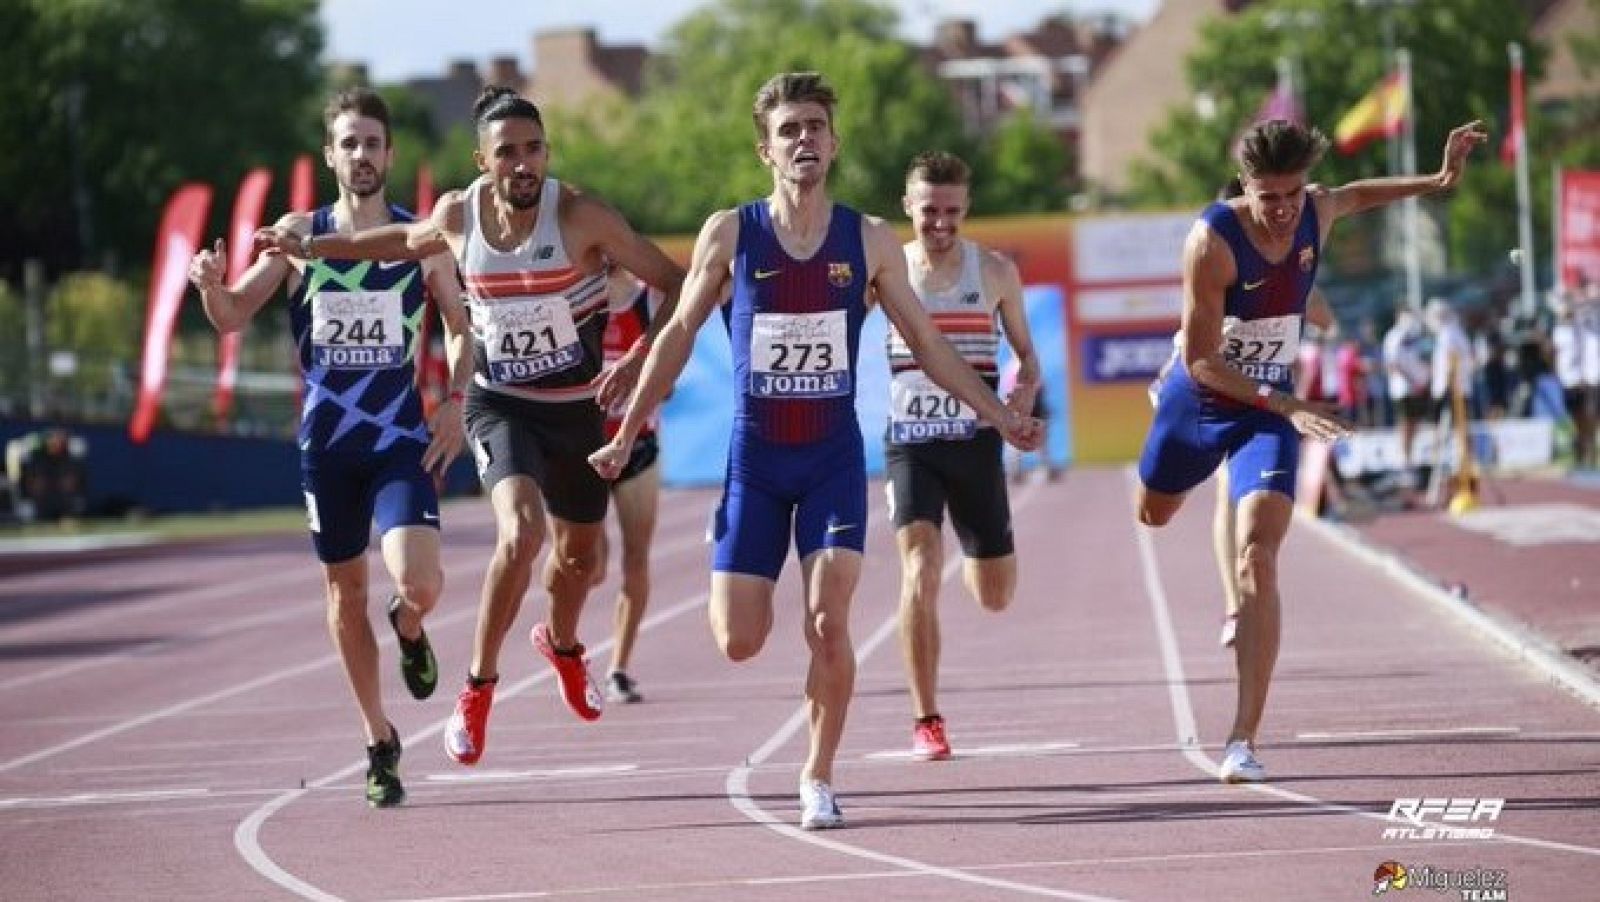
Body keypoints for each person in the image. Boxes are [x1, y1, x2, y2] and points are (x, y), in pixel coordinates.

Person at [588, 72, 1040, 829]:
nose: (804, 140)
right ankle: (737, 558)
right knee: (739, 639)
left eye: (815, 128)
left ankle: (817, 775)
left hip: (831, 459)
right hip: (756, 461)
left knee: (829, 622)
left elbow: (929, 346)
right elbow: (676, 336)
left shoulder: (865, 240)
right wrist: (630, 428)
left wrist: (997, 414)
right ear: (766, 149)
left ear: (834, 144)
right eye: (790, 129)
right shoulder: (731, 233)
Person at [256, 86, 685, 766]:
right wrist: (318, 242)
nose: (522, 164)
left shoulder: (582, 217)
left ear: (547, 154)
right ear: (481, 159)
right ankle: (478, 688)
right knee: (520, 532)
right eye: (506, 152)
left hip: (576, 410)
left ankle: (564, 645)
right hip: (502, 402)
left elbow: (676, 282)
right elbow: (399, 240)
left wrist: (637, 354)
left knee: (585, 561)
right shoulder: (459, 215)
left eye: (533, 150)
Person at [1136, 118, 1485, 784]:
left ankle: (1241, 739)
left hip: (1265, 410)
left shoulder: (1315, 210)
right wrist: (1288, 404)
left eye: (1293, 193)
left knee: (1257, 557)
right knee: (1152, 514)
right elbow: (1206, 363)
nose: (1283, 209)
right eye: (1268, 197)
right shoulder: (1210, 242)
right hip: (1200, 398)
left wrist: (1440, 179)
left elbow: (1357, 194)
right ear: (1245, 187)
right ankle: (1186, 469)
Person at [192, 88, 474, 806]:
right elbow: (231, 318)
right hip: (328, 448)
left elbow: (463, 324)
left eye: (372, 143)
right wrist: (208, 286)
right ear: (331, 156)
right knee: (343, 596)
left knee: (422, 582)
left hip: (400, 440)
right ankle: (379, 740)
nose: (361, 155)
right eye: (348, 144)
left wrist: (456, 400)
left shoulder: (419, 240)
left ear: (388, 153)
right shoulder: (297, 235)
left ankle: (409, 626)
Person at [884, 151, 1040, 761]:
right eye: (928, 211)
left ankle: (994, 545)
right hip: (910, 444)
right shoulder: (888, 270)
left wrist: (1018, 404)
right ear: (908, 207)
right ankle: (926, 717)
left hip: (974, 444)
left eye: (951, 211)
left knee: (994, 594)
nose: (940, 223)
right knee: (919, 568)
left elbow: (1028, 360)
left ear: (966, 209)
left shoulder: (995, 272)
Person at [591, 266, 667, 703]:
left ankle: (618, 666)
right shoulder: (574, 297)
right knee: (588, 564)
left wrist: (656, 382)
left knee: (635, 560)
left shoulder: (646, 299)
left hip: (637, 445)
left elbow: (669, 364)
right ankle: (568, 646)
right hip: (583, 450)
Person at [1382, 307, 1432, 491]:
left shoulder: (1414, 337)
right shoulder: (1394, 336)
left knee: (1414, 424)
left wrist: (1424, 379)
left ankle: (1410, 459)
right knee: (1405, 424)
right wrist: (1412, 381)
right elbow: (1392, 363)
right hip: (1403, 389)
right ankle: (1404, 462)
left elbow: (1420, 358)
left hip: (1416, 388)